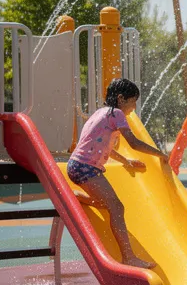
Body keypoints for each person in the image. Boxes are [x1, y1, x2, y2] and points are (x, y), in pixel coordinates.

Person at [67, 78, 164, 271]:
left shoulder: (100, 114)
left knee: (108, 204)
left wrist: (126, 161)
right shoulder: (117, 113)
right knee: (117, 207)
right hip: (87, 168)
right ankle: (128, 257)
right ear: (121, 98)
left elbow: (105, 147)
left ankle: (75, 197)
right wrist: (160, 154)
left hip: (77, 165)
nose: (134, 107)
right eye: (133, 101)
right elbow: (134, 143)